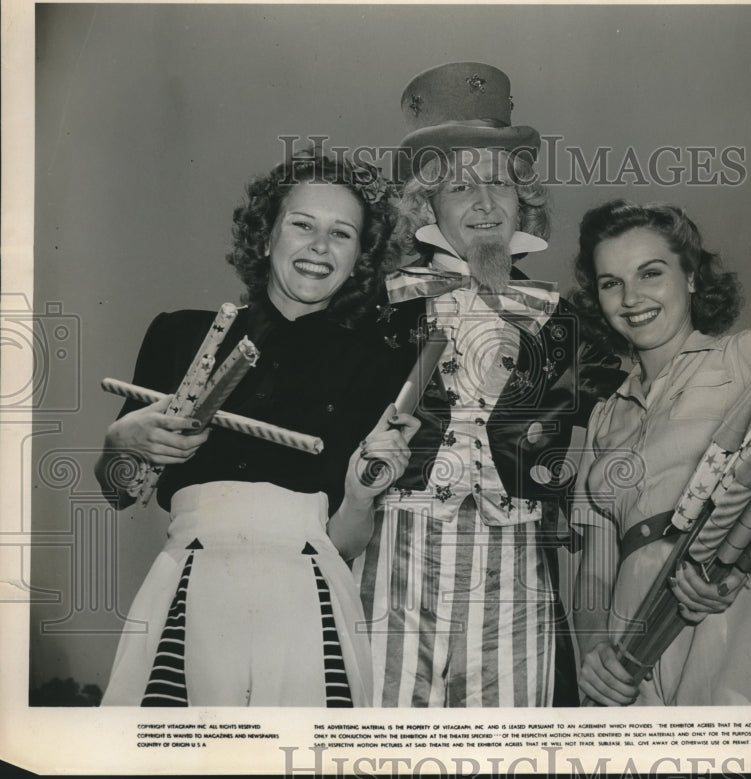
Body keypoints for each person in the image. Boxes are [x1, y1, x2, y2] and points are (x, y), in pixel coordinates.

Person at [95, 148, 419, 707]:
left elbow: (342, 541)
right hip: (192, 584)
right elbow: (121, 490)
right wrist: (120, 443)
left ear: (358, 257)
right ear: (266, 237)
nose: (320, 246)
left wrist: (363, 496)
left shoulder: (380, 367)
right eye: (302, 225)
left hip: (310, 595)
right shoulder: (181, 335)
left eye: (342, 234)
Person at [352, 62, 623, 707]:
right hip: (394, 555)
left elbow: (638, 418)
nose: (483, 203)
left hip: (518, 562)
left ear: (523, 201)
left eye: (500, 184)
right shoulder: (373, 310)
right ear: (426, 205)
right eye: (460, 188)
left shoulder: (570, 326)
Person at [570, 199, 751, 706]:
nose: (631, 298)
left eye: (650, 273)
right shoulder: (603, 415)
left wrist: (734, 568)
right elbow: (595, 566)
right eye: (611, 282)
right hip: (627, 650)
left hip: (721, 610)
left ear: (693, 277)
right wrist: (594, 650)